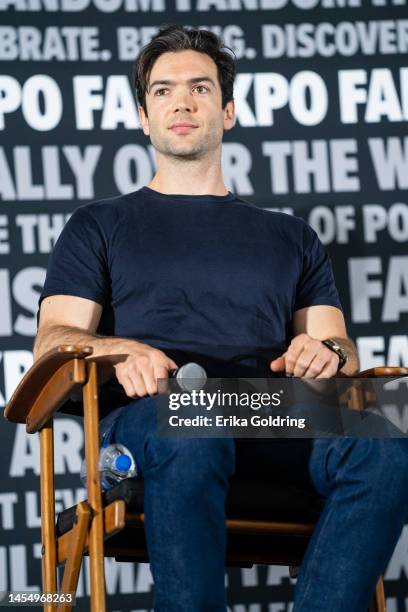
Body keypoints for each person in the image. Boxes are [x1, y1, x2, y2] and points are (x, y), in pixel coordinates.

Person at [34, 25, 408, 612]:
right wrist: (118, 349)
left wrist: (328, 354)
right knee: (193, 429)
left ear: (227, 111)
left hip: (268, 410)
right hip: (155, 411)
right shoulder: (98, 224)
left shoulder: (291, 235)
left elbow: (338, 345)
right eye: (163, 91)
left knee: (386, 449)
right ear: (143, 116)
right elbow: (53, 338)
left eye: (200, 88)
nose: (181, 102)